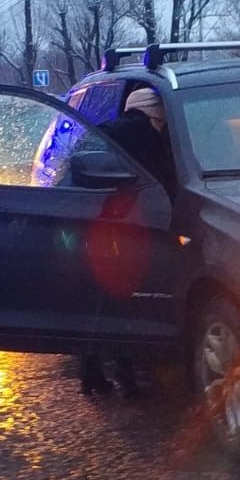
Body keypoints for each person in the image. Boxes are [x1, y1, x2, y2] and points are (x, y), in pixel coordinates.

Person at [78, 85, 176, 396]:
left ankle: (92, 372)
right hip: (134, 227)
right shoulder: (147, 137)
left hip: (96, 224)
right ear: (155, 115)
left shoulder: (102, 131)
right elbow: (164, 183)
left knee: (102, 298)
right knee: (130, 300)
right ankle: (130, 377)